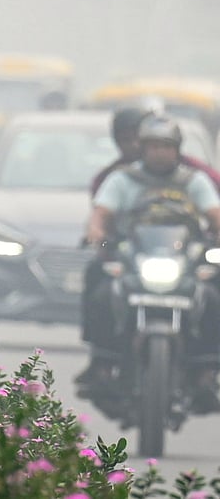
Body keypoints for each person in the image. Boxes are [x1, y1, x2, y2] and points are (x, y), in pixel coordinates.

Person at [78, 115, 220, 411]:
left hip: (185, 263)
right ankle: (103, 361)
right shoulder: (123, 179)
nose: (160, 153)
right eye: (153, 146)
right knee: (99, 285)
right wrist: (98, 237)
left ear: (177, 149)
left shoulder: (193, 181)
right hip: (134, 261)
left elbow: (214, 214)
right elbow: (100, 216)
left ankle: (207, 369)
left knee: (213, 295)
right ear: (142, 148)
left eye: (166, 146)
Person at [89, 107, 220, 197]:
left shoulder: (193, 174)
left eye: (137, 138)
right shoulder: (113, 179)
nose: (134, 145)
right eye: (126, 140)